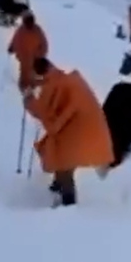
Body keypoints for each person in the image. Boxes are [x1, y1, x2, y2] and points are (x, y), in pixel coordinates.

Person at [23, 57, 114, 207]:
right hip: (89, 129)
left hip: (79, 133)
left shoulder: (54, 87)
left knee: (64, 164)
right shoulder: (66, 80)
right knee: (61, 159)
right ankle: (55, 190)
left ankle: (68, 207)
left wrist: (30, 102)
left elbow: (50, 120)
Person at [7, 11, 48, 91]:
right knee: (24, 73)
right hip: (23, 57)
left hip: (35, 58)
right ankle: (23, 88)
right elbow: (15, 39)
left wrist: (40, 55)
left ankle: (34, 89)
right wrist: (11, 47)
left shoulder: (37, 30)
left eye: (31, 20)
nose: (29, 23)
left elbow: (44, 43)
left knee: (34, 75)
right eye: (27, 20)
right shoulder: (21, 30)